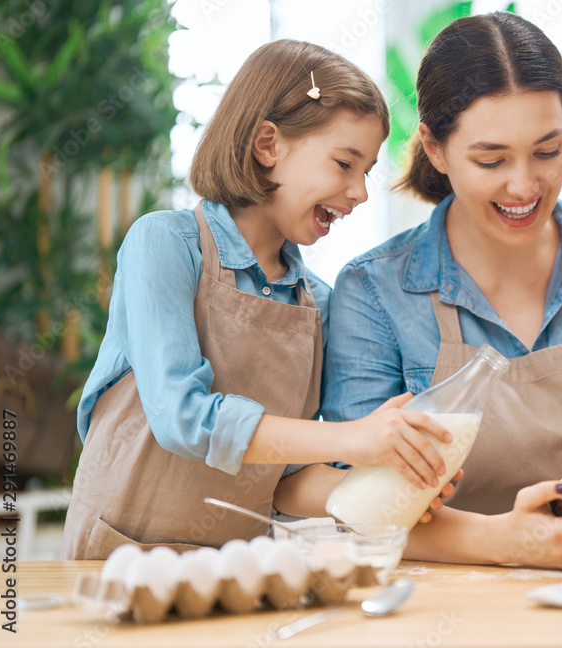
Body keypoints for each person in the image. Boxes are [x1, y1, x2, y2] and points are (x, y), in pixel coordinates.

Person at [274, 12, 562, 569]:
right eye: (491, 159)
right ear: (435, 148)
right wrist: (507, 543)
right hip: (441, 609)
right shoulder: (375, 292)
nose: (524, 185)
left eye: (548, 152)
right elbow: (361, 505)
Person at [61, 40, 453, 560]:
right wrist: (350, 439)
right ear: (268, 145)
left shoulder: (320, 305)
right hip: (115, 560)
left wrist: (386, 490)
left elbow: (286, 477)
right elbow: (183, 417)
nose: (360, 192)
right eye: (344, 163)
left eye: (367, 171)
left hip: (237, 572)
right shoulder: (165, 245)